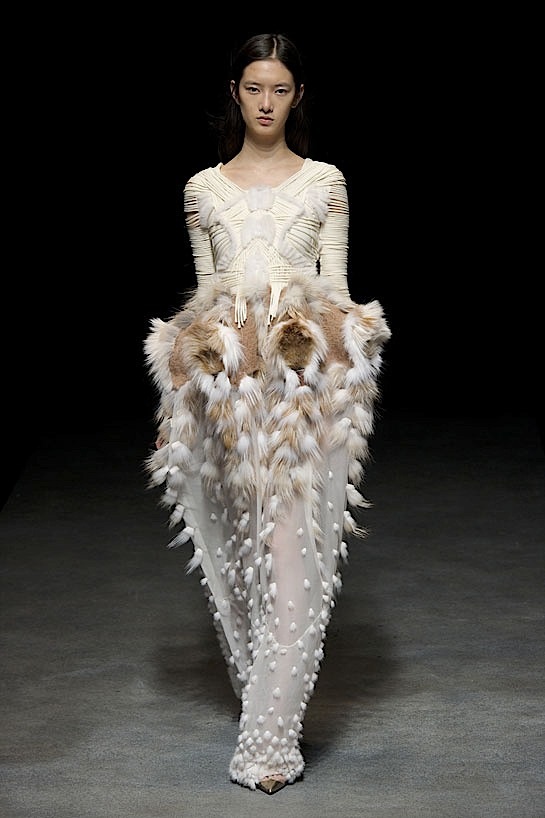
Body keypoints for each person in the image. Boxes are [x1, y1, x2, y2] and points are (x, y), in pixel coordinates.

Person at [145, 32, 391, 795]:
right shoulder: (202, 190)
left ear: (297, 96)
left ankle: (267, 746)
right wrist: (185, 363)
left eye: (278, 89)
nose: (264, 102)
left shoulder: (324, 182)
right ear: (234, 92)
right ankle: (264, 701)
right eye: (253, 87)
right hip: (226, 390)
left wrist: (335, 342)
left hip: (298, 386)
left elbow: (337, 289)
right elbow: (205, 293)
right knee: (235, 553)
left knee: (292, 555)